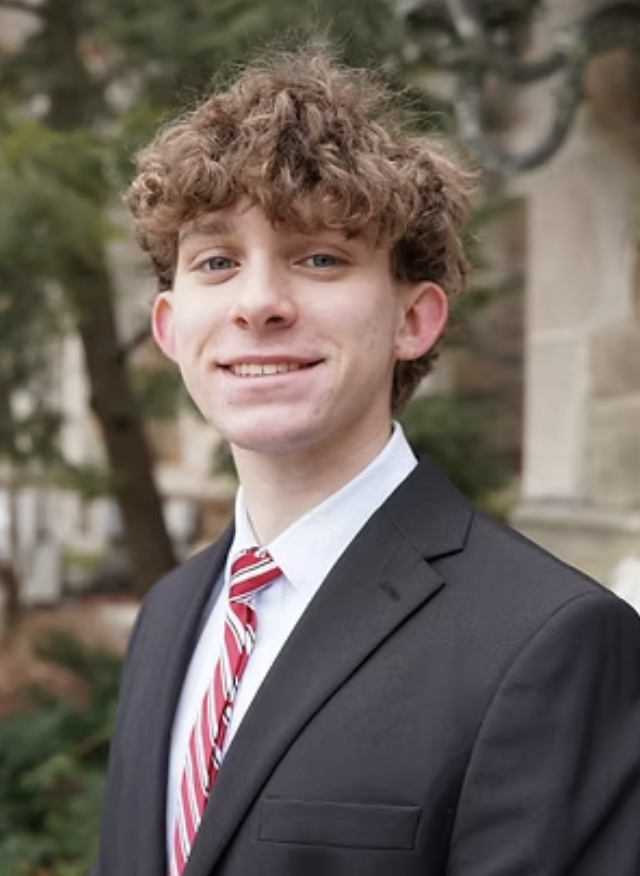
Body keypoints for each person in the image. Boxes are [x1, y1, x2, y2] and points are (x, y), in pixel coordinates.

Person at [92, 46, 640, 876]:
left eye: (320, 257)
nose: (259, 304)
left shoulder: (551, 641)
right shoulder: (168, 613)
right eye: (216, 262)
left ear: (415, 320)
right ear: (172, 328)